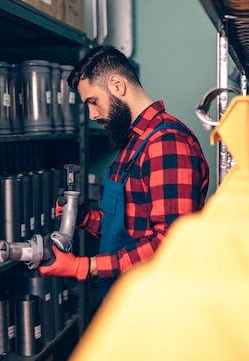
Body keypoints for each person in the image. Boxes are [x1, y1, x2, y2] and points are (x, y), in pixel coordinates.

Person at [39, 45, 210, 297]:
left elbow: (172, 245)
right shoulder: (135, 141)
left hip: (155, 299)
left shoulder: (166, 142)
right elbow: (131, 228)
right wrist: (84, 217)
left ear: (117, 85)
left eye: (93, 102)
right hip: (128, 294)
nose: (92, 114)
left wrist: (85, 266)